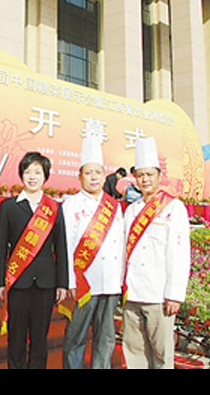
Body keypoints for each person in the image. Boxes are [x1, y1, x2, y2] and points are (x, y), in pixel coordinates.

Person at [123, 138, 191, 370]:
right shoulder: (131, 210)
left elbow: (179, 254)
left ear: (159, 176)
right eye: (140, 175)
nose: (145, 180)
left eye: (149, 174)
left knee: (161, 354)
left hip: (158, 295)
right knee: (134, 351)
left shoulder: (174, 207)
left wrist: (174, 295)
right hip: (133, 294)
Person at [0, 152, 69, 369]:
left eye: (37, 172)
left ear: (45, 176)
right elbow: (1, 247)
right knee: (16, 337)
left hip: (46, 283)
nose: (32, 177)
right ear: (21, 175)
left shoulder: (54, 208)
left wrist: (62, 283)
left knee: (39, 338)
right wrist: (0, 282)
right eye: (28, 172)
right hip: (18, 281)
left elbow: (61, 247)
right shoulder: (9, 207)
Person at [61, 135, 125, 369]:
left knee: (105, 338)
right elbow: (66, 245)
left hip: (110, 283)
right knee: (75, 337)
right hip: (83, 283)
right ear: (80, 176)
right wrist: (70, 281)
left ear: (104, 175)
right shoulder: (71, 205)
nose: (94, 177)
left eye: (98, 172)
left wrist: (120, 279)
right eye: (88, 173)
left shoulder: (114, 206)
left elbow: (121, 245)